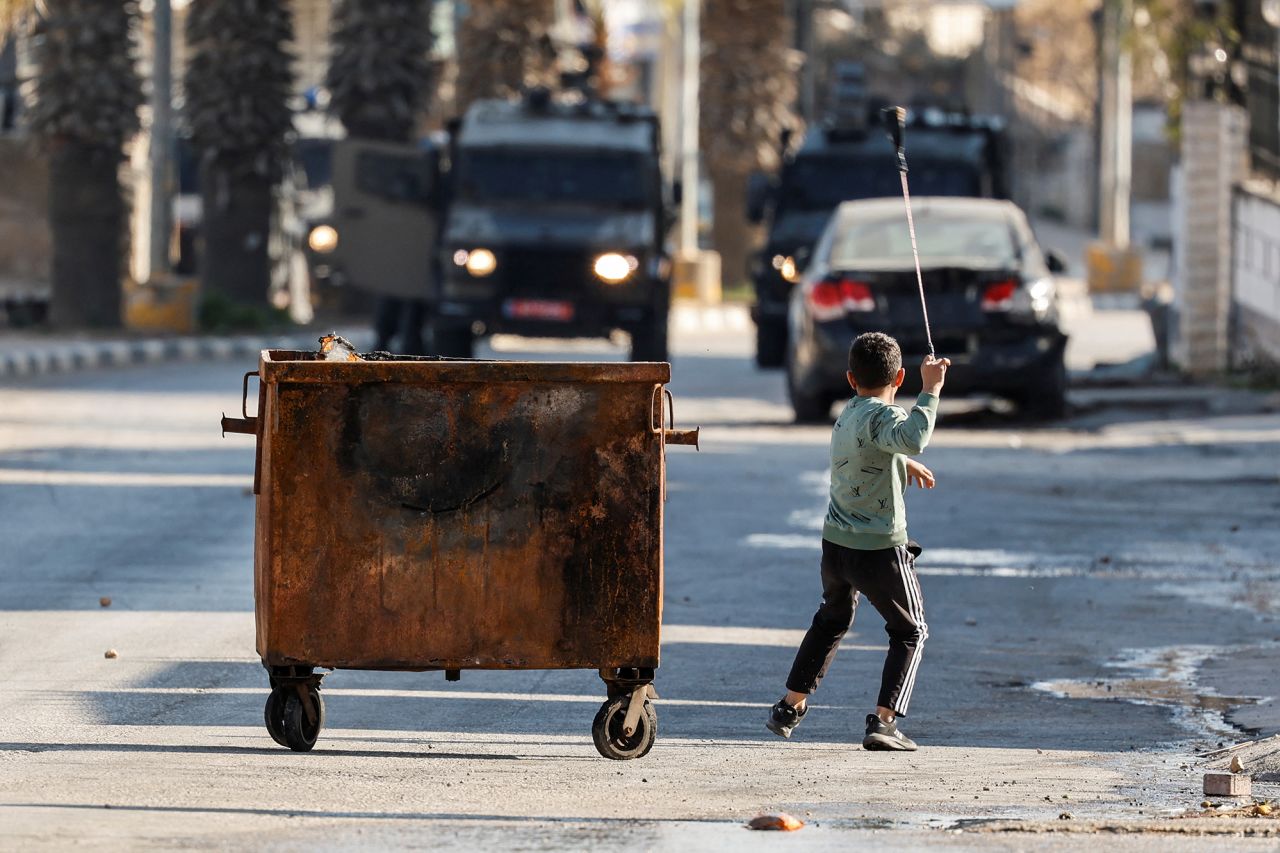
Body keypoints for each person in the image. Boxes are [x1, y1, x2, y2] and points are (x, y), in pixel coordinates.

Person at [766, 332, 949, 752]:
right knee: (911, 630)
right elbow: (913, 434)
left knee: (831, 619)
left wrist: (903, 464)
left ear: (850, 380)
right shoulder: (886, 417)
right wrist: (932, 390)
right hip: (879, 547)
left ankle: (790, 706)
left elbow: (872, 452)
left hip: (837, 545)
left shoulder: (848, 414)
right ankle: (885, 722)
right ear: (900, 377)